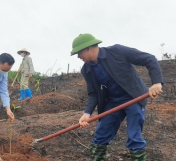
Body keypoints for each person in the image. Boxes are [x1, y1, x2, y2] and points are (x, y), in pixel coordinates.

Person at [70, 33, 163, 161]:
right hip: (113, 102)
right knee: (101, 135)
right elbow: (93, 93)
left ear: (88, 48)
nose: (78, 56)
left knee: (134, 137)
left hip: (133, 97)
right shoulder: (86, 69)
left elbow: (149, 59)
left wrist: (156, 83)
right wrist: (87, 113)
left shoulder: (117, 52)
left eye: (79, 53)